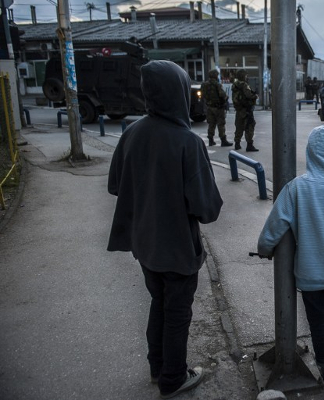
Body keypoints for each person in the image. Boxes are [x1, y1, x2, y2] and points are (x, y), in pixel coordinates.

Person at [107, 60, 223, 399]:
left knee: (158, 302)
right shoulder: (187, 142)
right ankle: (173, 378)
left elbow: (116, 185)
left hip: (144, 244)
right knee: (176, 313)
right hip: (177, 248)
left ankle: (158, 367)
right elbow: (207, 209)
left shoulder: (131, 132)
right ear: (179, 93)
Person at [257, 124, 324, 386]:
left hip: (309, 273)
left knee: (318, 321)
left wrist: (264, 248)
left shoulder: (296, 188)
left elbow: (274, 226)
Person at [201, 69, 233, 147]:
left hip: (209, 107)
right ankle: (223, 140)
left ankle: (211, 140)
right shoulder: (217, 84)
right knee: (221, 124)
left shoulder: (204, 84)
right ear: (215, 75)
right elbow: (222, 95)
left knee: (211, 124)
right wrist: (226, 99)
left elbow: (203, 95)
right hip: (218, 107)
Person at [232, 69, 259, 152]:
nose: (247, 77)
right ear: (243, 76)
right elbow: (248, 95)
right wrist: (255, 96)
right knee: (249, 126)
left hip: (239, 109)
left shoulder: (234, 85)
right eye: (246, 75)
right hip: (246, 109)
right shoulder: (244, 85)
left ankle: (237, 144)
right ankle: (249, 145)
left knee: (239, 126)